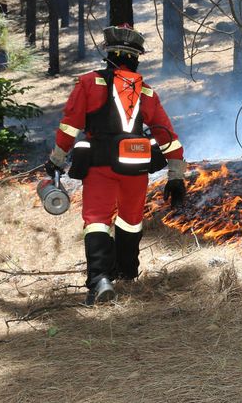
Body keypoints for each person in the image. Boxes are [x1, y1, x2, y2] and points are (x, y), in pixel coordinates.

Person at [45, 24, 187, 305]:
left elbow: (70, 126)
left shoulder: (88, 83)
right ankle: (127, 273)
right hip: (135, 168)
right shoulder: (146, 93)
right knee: (131, 221)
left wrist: (57, 159)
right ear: (136, 58)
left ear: (108, 55)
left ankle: (100, 279)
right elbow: (168, 138)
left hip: (100, 165)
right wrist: (176, 176)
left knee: (97, 220)